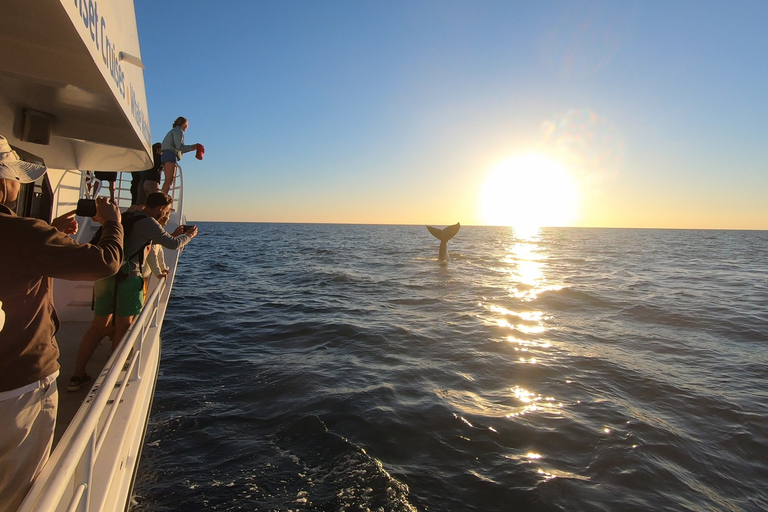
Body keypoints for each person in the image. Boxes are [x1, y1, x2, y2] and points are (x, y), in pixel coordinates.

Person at [0, 134, 124, 512]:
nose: (19, 184)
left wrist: (47, 229)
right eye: (14, 175)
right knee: (18, 492)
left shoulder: (23, 233)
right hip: (18, 388)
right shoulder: (19, 232)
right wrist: (112, 223)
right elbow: (106, 262)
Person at [68, 192, 198, 390]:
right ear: (161, 208)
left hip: (105, 278)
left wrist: (171, 234)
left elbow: (138, 240)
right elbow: (172, 246)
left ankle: (77, 377)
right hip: (128, 279)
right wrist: (188, 236)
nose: (167, 215)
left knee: (97, 327)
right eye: (167, 211)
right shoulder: (149, 222)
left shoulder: (126, 215)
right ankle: (110, 379)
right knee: (123, 327)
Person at [160, 117, 200, 194]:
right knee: (169, 180)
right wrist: (192, 147)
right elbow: (180, 147)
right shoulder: (178, 131)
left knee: (169, 180)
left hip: (168, 155)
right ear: (184, 124)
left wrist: (191, 148)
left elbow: (178, 149)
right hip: (170, 155)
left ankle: (163, 198)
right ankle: (162, 200)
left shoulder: (173, 131)